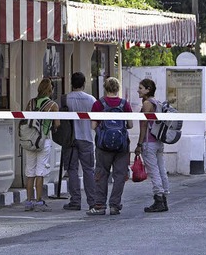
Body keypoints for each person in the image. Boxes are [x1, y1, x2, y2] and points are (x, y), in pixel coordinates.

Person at [87, 77, 133, 216]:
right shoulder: (125, 104)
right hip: (122, 146)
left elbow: (93, 125)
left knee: (101, 174)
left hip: (103, 146)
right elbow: (130, 125)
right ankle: (115, 205)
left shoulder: (98, 104)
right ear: (117, 89)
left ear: (105, 88)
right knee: (119, 176)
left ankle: (100, 205)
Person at [62, 72, 97, 211]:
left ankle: (75, 201)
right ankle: (92, 201)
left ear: (71, 83)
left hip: (70, 139)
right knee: (89, 170)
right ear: (84, 83)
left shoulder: (65, 99)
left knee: (72, 170)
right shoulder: (91, 100)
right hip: (87, 138)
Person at [24, 78, 60, 212]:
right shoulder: (52, 105)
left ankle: (28, 201)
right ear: (50, 90)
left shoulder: (31, 103)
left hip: (30, 140)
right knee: (40, 171)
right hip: (44, 140)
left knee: (30, 171)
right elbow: (57, 124)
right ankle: (39, 201)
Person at [134, 78, 170, 213]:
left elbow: (144, 126)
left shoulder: (147, 104)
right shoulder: (157, 103)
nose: (138, 90)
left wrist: (139, 144)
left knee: (154, 172)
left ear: (148, 89)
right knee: (161, 170)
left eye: (141, 88)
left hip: (149, 143)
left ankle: (158, 199)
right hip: (159, 141)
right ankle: (164, 197)